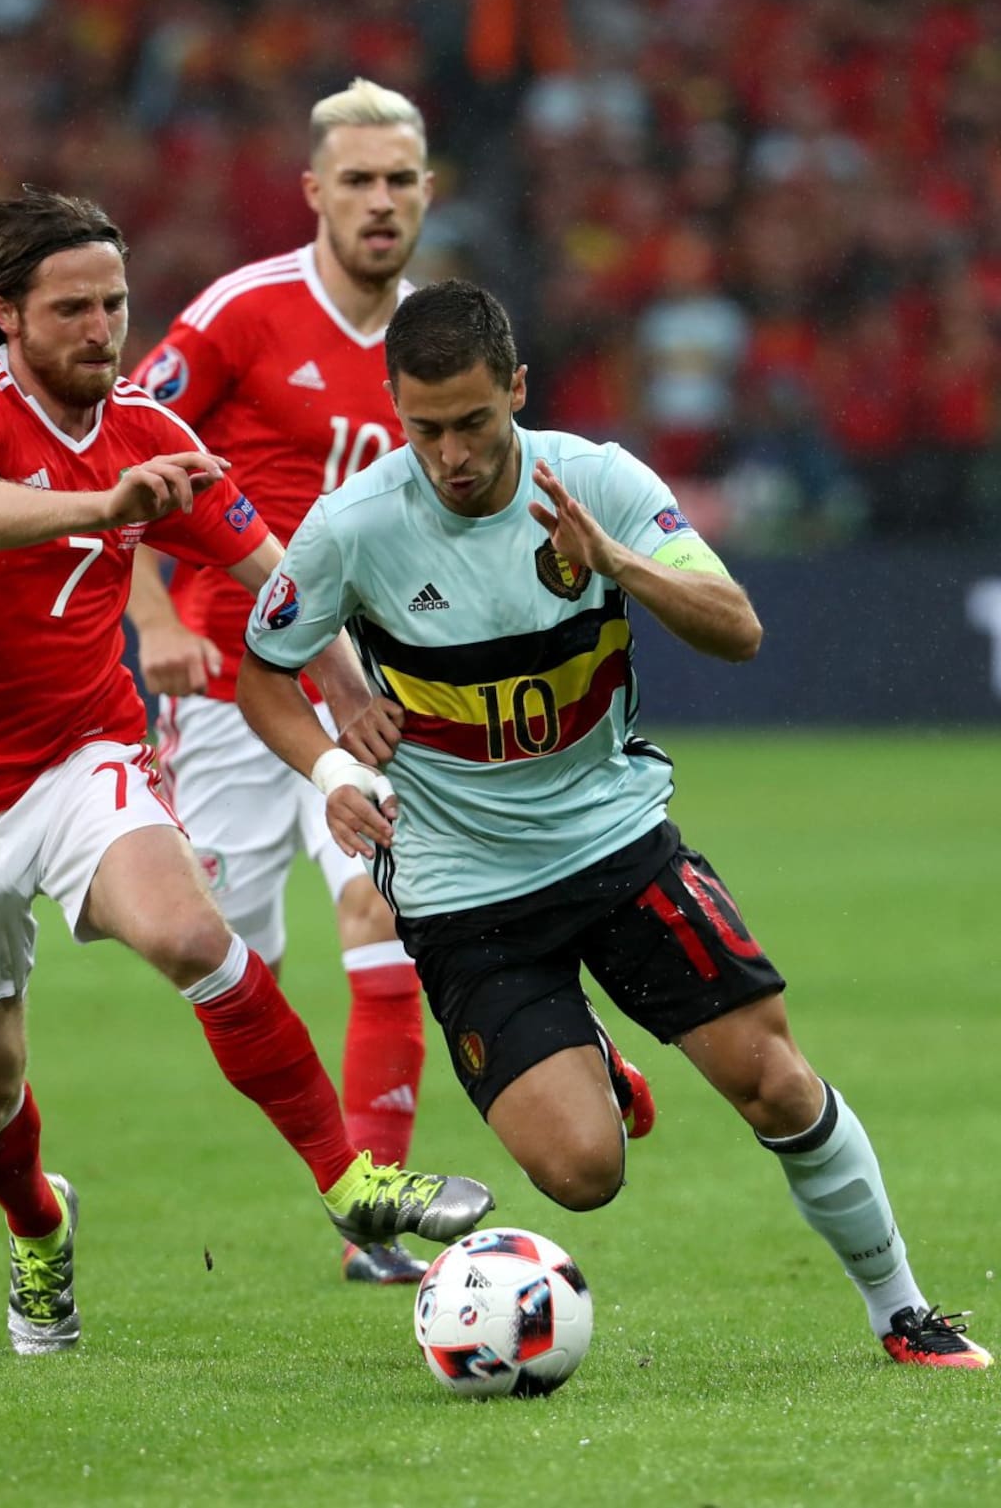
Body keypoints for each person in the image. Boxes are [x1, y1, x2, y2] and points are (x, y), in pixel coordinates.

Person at [236, 278, 992, 1370]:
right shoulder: (353, 528)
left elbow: (738, 629)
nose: (450, 453)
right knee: (582, 1172)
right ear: (397, 411)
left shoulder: (596, 481)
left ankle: (902, 1311)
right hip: (464, 890)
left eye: (475, 423)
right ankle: (586, 1046)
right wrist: (327, 762)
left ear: (519, 392)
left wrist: (620, 563)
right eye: (425, 427)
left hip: (616, 844)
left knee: (775, 1079)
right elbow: (263, 669)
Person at [0, 190, 493, 1358]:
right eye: (72, 308)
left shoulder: (151, 431)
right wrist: (101, 507)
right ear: (4, 313)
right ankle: (38, 1222)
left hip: (80, 755)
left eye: (113, 302)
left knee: (194, 937)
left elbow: (273, 572)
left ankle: (353, 1186)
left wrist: (346, 682)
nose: (102, 327)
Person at [128, 78, 655, 1285]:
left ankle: (377, 1213)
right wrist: (152, 612)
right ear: (314, 191)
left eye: (399, 181)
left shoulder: (441, 338)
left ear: (428, 192)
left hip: (361, 680)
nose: (379, 201)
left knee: (386, 908)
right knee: (212, 949)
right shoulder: (236, 315)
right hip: (224, 679)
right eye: (356, 180)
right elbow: (125, 449)